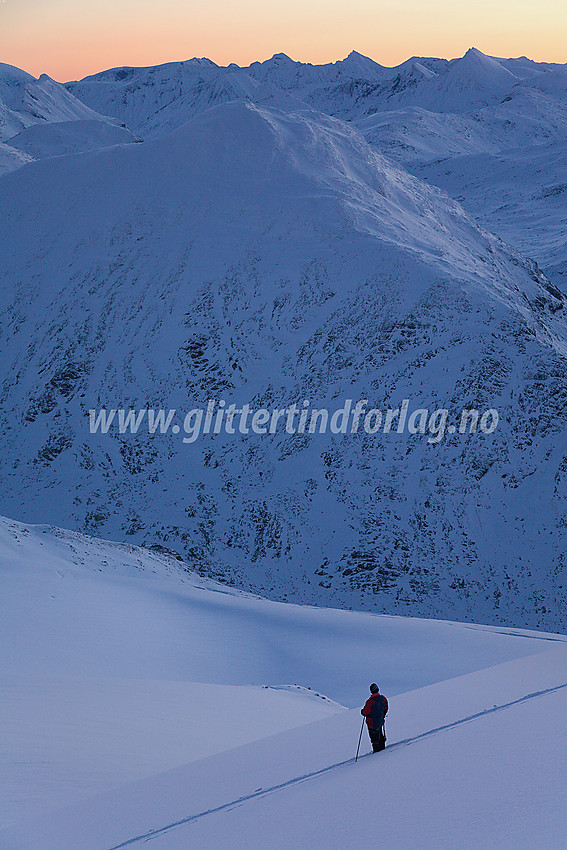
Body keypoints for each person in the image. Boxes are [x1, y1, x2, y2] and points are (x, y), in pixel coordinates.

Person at [361, 683, 388, 752]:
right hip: (380, 721)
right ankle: (383, 750)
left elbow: (365, 712)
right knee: (380, 736)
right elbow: (386, 708)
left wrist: (362, 712)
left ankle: (376, 755)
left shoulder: (370, 701)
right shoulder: (383, 698)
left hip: (372, 723)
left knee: (374, 740)